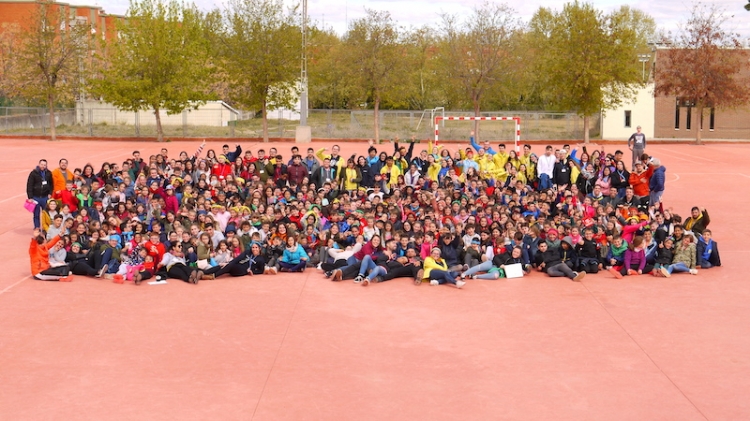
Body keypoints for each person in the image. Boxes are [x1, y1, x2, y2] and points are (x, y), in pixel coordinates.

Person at [26, 159, 54, 229]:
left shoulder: (48, 173)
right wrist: (30, 197)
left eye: (44, 165)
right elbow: (29, 185)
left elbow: (51, 184)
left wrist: (50, 193)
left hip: (45, 197)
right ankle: (37, 227)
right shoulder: (33, 173)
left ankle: (46, 227)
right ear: (39, 164)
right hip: (36, 197)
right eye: (42, 164)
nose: (43, 166)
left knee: (47, 213)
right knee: (36, 214)